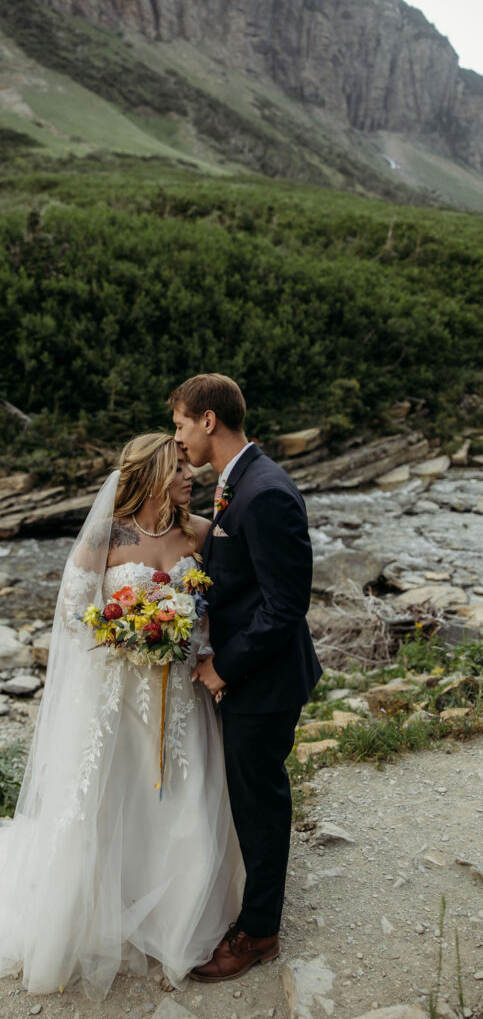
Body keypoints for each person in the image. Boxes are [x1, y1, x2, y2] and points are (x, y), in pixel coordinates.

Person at [0, 433, 244, 1000]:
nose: (191, 473)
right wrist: (131, 632)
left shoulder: (202, 534)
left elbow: (221, 606)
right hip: (119, 697)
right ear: (154, 473)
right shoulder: (108, 536)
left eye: (189, 463)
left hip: (182, 698)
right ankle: (105, 913)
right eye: (180, 465)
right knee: (116, 799)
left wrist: (198, 641)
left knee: (187, 795)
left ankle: (184, 912)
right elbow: (72, 614)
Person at [169, 373, 322, 983]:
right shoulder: (236, 484)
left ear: (209, 420)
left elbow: (286, 606)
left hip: (264, 681)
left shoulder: (265, 492)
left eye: (181, 422)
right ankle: (254, 905)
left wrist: (220, 666)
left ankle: (259, 932)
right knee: (250, 796)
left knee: (260, 801)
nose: (177, 437)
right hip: (251, 675)